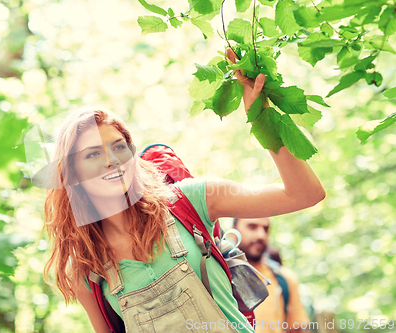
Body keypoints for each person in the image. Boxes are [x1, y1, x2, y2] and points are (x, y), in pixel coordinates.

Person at [41, 48, 326, 333]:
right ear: (72, 175)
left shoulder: (191, 199)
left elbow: (304, 194)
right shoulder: (85, 269)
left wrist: (263, 120)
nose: (111, 160)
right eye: (92, 154)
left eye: (119, 147)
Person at [233, 217, 311, 333]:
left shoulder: (285, 278)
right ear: (234, 231)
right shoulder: (219, 274)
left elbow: (296, 328)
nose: (261, 235)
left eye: (265, 228)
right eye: (252, 227)